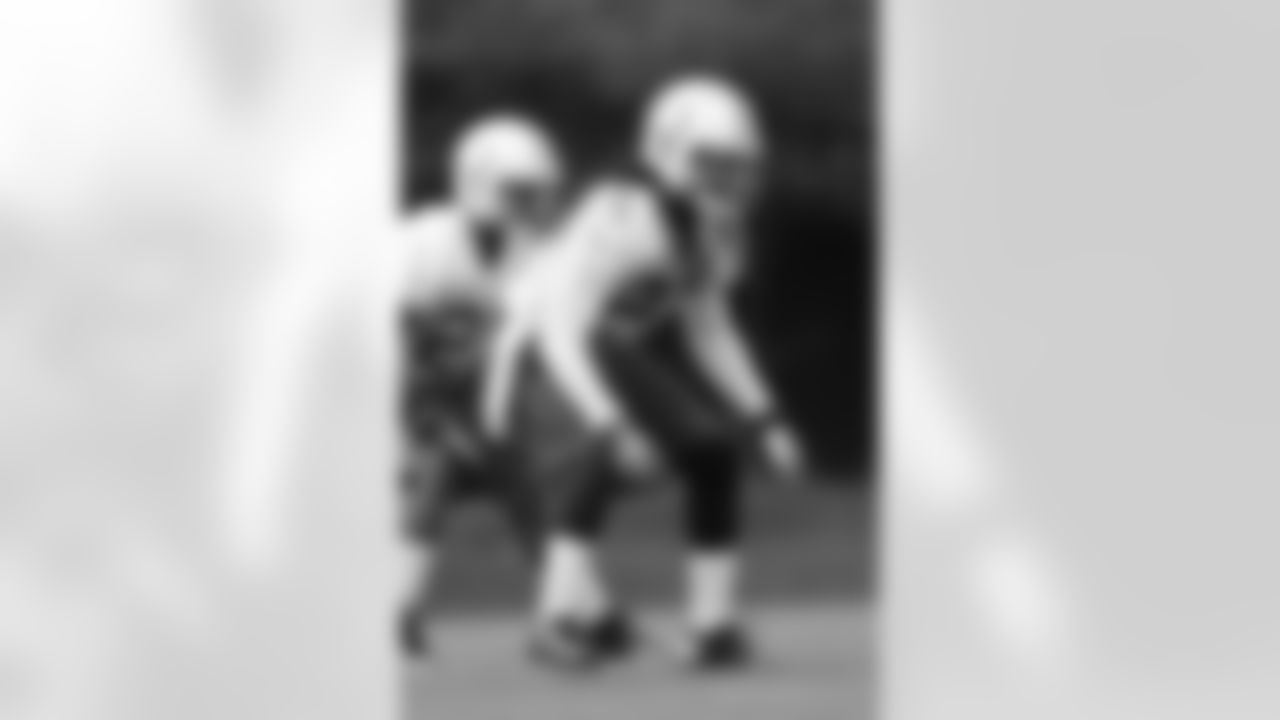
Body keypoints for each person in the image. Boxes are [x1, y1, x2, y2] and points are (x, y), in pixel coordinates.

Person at [482, 74, 806, 671]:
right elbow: (560, 328)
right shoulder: (620, 214)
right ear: (667, 151)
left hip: (604, 344)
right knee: (599, 459)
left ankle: (712, 628)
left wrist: (765, 419)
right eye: (713, 162)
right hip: (538, 349)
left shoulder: (711, 225)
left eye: (737, 165)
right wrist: (608, 424)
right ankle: (554, 623)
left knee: (711, 452)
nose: (729, 178)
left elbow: (710, 330)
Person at [398, 113, 567, 657]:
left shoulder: (536, 254)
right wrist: (419, 414)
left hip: (488, 398)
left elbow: (532, 348)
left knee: (530, 491)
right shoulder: (420, 244)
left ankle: (561, 612)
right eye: (519, 191)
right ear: (477, 183)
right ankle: (398, 607)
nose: (531, 204)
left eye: (535, 192)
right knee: (436, 472)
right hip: (398, 397)